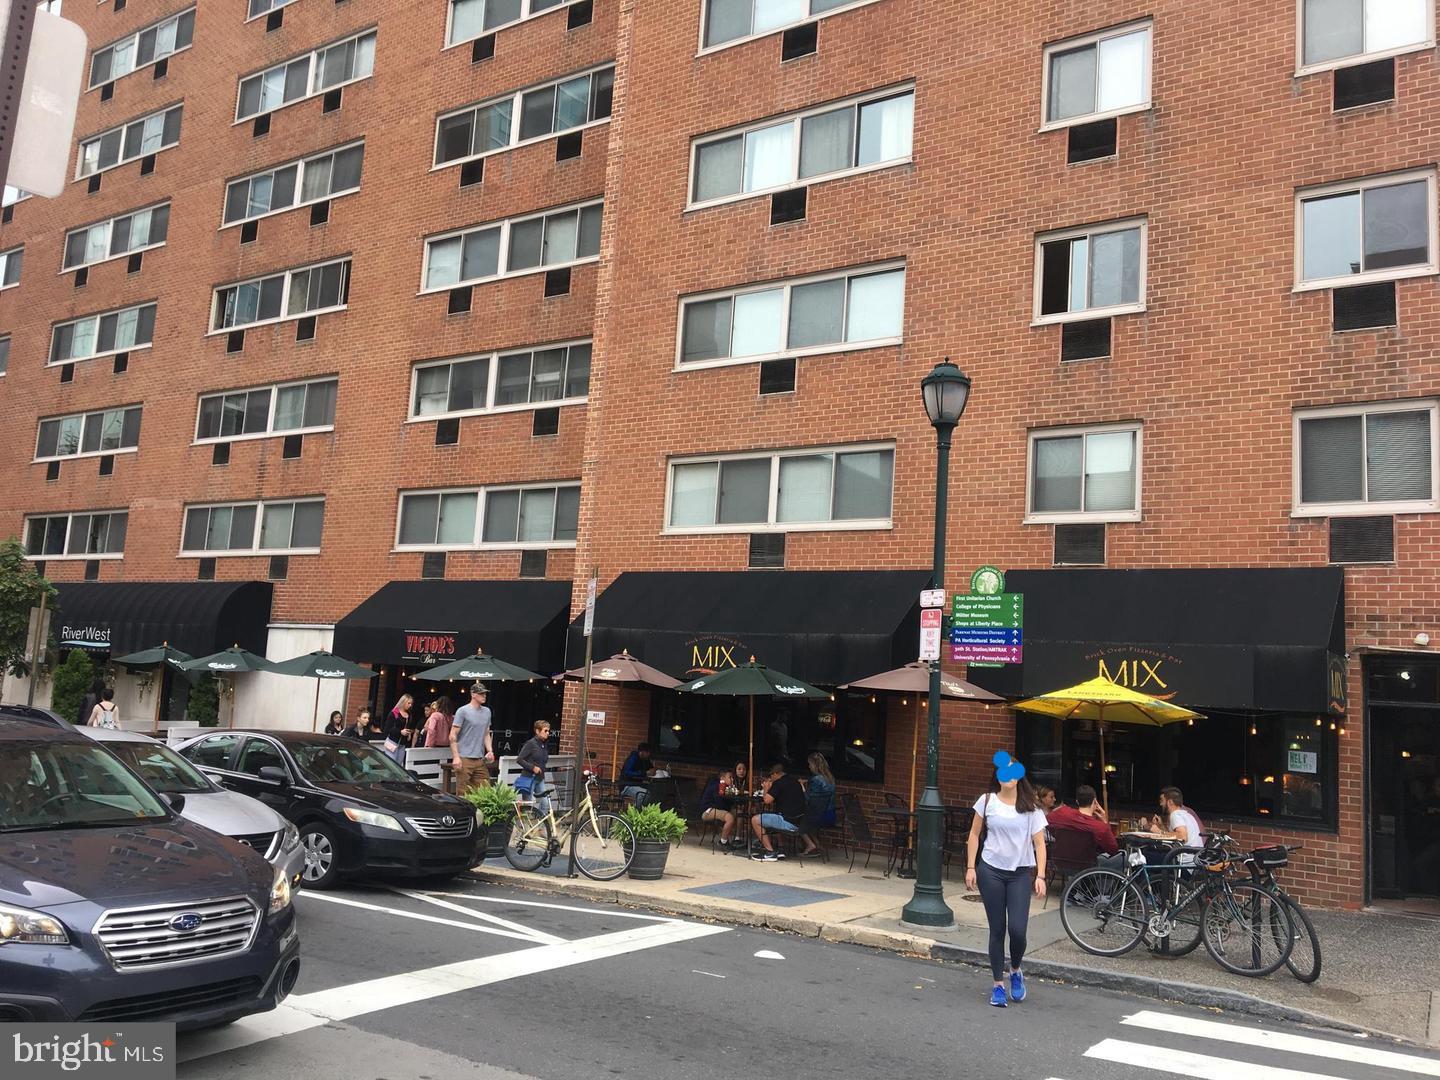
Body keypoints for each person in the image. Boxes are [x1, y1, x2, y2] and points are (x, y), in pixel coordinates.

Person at [965, 752, 1047, 1008]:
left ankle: (1016, 969)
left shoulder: (1031, 808)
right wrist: (970, 867)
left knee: (1018, 930)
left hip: (1020, 873)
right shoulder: (987, 801)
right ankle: (998, 985)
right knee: (997, 928)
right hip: (991, 869)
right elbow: (974, 835)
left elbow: (1039, 844)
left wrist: (1041, 875)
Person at [750, 761, 804, 861]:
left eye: (771, 775)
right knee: (775, 814)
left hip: (788, 821)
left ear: (776, 773)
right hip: (799, 821)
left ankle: (770, 852)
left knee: (755, 819)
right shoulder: (795, 781)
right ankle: (780, 848)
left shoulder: (779, 783)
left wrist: (766, 788)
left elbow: (767, 800)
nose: (770, 778)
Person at [1046, 784, 1118, 856]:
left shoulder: (1061, 813)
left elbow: (1046, 822)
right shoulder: (1100, 827)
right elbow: (1113, 850)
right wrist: (1105, 822)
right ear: (1095, 801)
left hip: (1060, 862)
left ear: (1077, 801)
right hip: (1088, 865)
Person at [450, 682, 495, 795]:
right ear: (473, 694)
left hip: (480, 758)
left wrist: (490, 750)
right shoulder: (463, 711)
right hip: (464, 757)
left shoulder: (487, 711)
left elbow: (486, 733)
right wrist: (456, 757)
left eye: (485, 693)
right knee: (463, 793)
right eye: (481, 693)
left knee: (485, 792)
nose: (484, 696)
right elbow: (452, 735)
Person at [1148, 785, 1205, 864]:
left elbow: (1182, 836)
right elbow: (1174, 836)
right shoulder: (1187, 814)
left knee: (1144, 856)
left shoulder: (1175, 815)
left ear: (1170, 802)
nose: (1161, 804)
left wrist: (1158, 831)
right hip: (1194, 864)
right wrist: (1161, 826)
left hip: (1183, 864)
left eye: (1162, 800)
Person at [798, 752, 836, 858]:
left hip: (819, 815)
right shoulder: (830, 778)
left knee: (800, 822)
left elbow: (809, 799)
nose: (809, 766)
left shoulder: (816, 780)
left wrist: (802, 787)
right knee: (811, 822)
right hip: (830, 815)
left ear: (814, 765)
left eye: (809, 764)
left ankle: (810, 845)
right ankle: (818, 845)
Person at [515, 720, 552, 814]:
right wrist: (533, 767)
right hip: (528, 778)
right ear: (537, 731)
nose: (548, 733)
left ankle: (541, 825)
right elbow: (519, 759)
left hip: (539, 778)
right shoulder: (530, 743)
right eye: (545, 731)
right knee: (527, 806)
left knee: (545, 803)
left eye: (548, 731)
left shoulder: (544, 745)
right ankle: (525, 827)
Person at [699, 770, 738, 848]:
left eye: (732, 778)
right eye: (730, 777)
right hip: (707, 811)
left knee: (737, 812)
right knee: (729, 817)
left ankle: (737, 838)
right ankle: (723, 842)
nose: (732, 780)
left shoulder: (726, 788)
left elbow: (727, 804)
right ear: (722, 778)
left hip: (717, 809)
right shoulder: (717, 786)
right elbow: (719, 804)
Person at [383, 694, 415, 762]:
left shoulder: (409, 714)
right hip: (392, 742)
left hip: (402, 744)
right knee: (392, 764)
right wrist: (400, 731)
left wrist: (409, 732)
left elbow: (409, 727)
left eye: (411, 703)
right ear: (403, 702)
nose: (410, 705)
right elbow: (387, 729)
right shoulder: (395, 712)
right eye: (408, 703)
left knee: (399, 765)